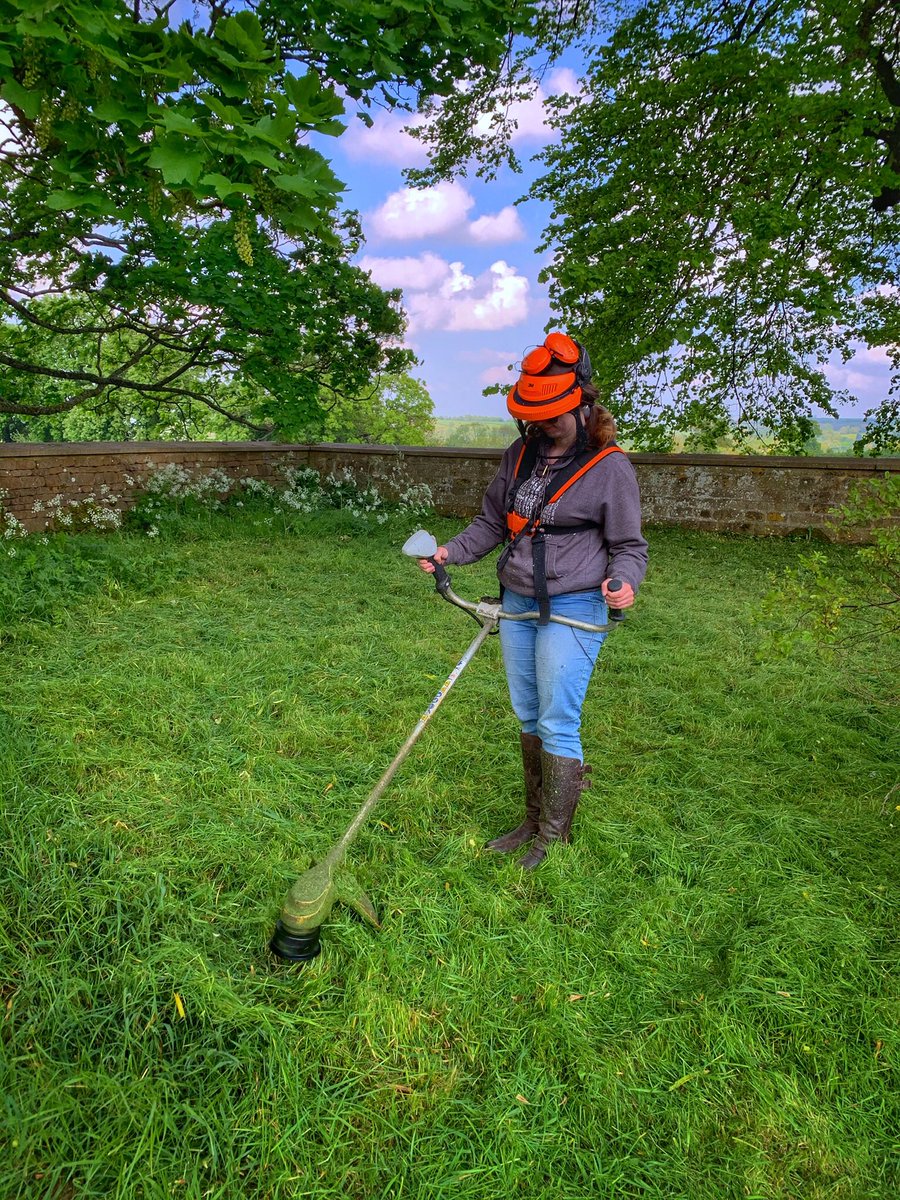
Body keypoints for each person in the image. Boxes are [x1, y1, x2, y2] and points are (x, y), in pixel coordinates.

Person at [419, 332, 648, 868]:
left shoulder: (610, 467)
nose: (542, 427)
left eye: (552, 417)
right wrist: (451, 551)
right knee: (527, 714)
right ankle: (531, 818)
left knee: (557, 719)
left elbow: (629, 546)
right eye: (534, 419)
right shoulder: (519, 454)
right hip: (517, 601)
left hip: (575, 606)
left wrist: (624, 580)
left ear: (582, 405)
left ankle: (553, 835)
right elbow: (493, 522)